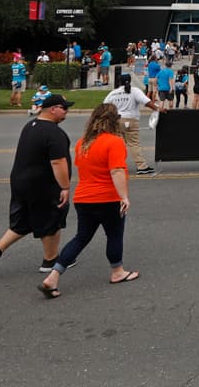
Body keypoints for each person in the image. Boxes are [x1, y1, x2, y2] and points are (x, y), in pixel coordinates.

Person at [38, 104, 138, 298]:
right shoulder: (114, 142)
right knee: (114, 235)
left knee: (81, 238)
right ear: (113, 120)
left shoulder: (83, 143)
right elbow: (116, 170)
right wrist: (124, 196)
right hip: (108, 198)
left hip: (84, 198)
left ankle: (53, 276)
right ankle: (117, 272)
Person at [0, 94, 74, 279]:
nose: (67, 112)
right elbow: (58, 162)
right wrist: (65, 186)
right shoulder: (55, 133)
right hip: (43, 185)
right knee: (52, 219)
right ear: (53, 109)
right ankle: (50, 261)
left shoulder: (30, 126)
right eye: (64, 108)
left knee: (23, 222)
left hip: (20, 182)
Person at [103, 75, 158, 175]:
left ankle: (116, 165)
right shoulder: (134, 91)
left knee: (118, 145)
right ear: (130, 81)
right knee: (134, 144)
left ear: (119, 82)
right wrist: (157, 109)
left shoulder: (113, 93)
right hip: (131, 120)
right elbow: (146, 102)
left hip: (116, 120)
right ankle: (141, 166)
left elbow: (104, 106)